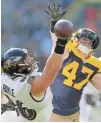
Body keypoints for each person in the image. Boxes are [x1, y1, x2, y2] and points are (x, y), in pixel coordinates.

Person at [45, 3, 101, 122]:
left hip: (74, 111)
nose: (86, 42)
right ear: (76, 39)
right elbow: (57, 40)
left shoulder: (95, 63)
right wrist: (54, 24)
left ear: (93, 47)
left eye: (90, 41)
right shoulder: (68, 48)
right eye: (84, 38)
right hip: (52, 103)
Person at [1, 33, 69, 122]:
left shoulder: (6, 79)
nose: (31, 59)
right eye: (25, 59)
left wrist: (8, 102)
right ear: (16, 67)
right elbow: (52, 70)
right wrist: (60, 44)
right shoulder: (32, 86)